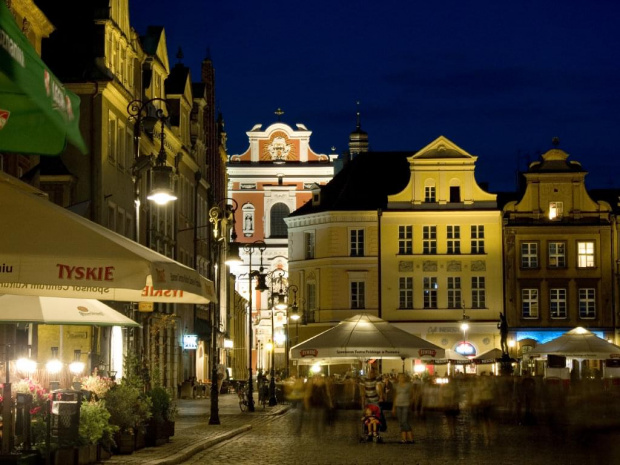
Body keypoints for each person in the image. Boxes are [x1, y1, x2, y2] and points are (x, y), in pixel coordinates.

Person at [391, 373, 415, 444]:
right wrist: (393, 407)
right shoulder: (396, 385)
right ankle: (404, 438)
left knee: (404, 421)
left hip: (405, 405)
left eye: (402, 377)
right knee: (401, 422)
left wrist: (411, 401)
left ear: (405, 378)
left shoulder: (408, 385)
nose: (401, 378)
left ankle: (411, 438)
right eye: (400, 377)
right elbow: (395, 396)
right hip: (398, 404)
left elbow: (412, 394)